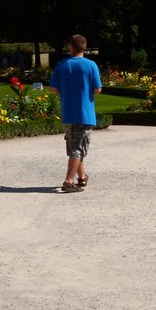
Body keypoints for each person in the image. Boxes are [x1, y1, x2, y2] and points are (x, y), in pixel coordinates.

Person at [49, 34, 102, 193]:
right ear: (84, 48)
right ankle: (69, 181)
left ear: (71, 47)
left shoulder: (62, 65)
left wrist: (66, 93)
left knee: (74, 146)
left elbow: (53, 88)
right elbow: (97, 89)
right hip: (85, 113)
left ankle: (82, 177)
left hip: (68, 112)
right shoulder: (91, 65)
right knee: (78, 147)